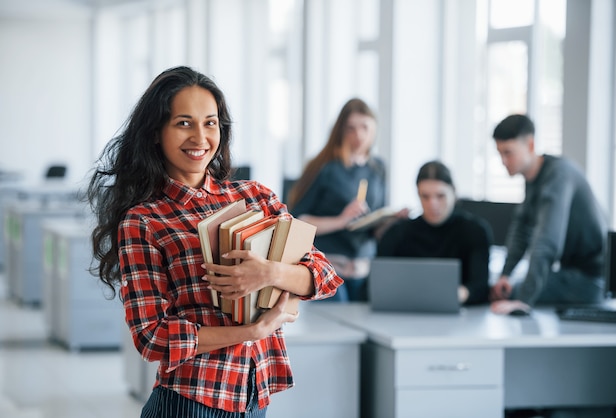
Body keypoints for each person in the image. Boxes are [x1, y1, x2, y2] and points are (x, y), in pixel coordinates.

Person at [87, 66, 343, 418]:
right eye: (183, 123)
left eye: (210, 123)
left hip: (255, 399)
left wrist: (269, 273)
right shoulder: (144, 220)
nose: (200, 137)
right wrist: (251, 330)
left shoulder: (256, 197)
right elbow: (151, 336)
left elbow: (324, 275)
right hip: (190, 402)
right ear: (156, 133)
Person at [288, 98, 405, 302]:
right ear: (340, 130)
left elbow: (374, 219)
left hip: (364, 270)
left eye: (364, 127)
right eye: (351, 128)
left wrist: (389, 221)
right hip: (329, 269)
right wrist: (341, 220)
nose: (358, 135)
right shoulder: (324, 167)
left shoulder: (378, 168)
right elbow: (298, 220)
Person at [489, 114, 607, 316]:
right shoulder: (533, 179)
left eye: (508, 153)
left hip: (591, 280)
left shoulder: (558, 176)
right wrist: (505, 275)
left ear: (530, 145)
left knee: (512, 292)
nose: (503, 161)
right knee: (503, 288)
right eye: (500, 153)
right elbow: (521, 230)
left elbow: (546, 242)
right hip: (569, 272)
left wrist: (523, 301)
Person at [378, 160, 493, 305]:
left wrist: (455, 295)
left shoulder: (475, 231)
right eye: (425, 196)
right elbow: (378, 283)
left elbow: (480, 286)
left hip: (463, 316)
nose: (432, 204)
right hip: (405, 313)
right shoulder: (397, 233)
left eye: (440, 196)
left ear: (454, 192)